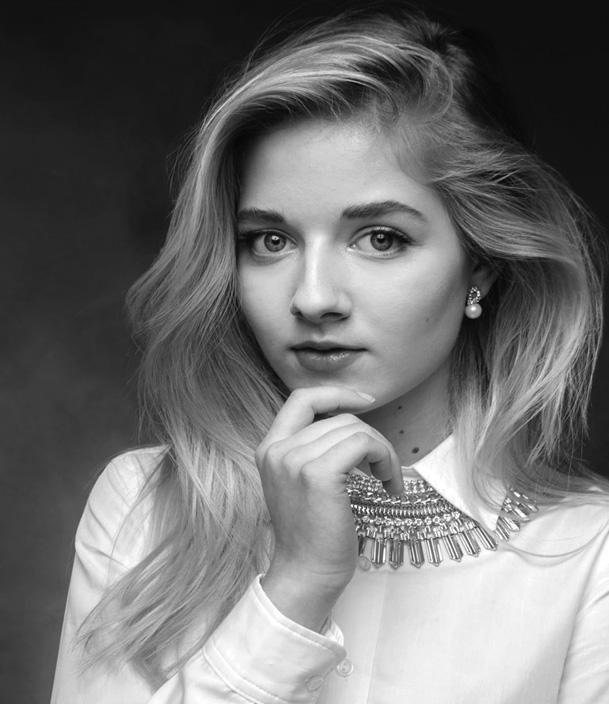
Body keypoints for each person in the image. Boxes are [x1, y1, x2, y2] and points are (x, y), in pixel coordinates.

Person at [51, 5, 609, 703]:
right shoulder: (145, 508)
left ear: (481, 266)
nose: (313, 298)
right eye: (270, 241)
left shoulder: (590, 553)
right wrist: (293, 590)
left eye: (380, 238)